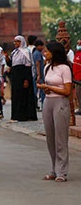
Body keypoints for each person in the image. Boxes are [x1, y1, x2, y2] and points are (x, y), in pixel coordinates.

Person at [37, 41, 73, 182]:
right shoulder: (47, 67)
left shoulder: (64, 68)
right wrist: (47, 88)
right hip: (48, 101)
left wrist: (50, 87)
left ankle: (62, 171)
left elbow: (67, 91)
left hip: (60, 102)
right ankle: (53, 168)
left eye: (47, 52)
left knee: (60, 138)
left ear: (54, 53)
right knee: (50, 137)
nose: (44, 54)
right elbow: (50, 85)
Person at [7, 35, 37, 121]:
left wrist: (26, 80)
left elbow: (28, 67)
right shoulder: (14, 52)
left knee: (23, 96)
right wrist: (7, 58)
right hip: (16, 77)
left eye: (17, 41)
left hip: (23, 76)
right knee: (16, 96)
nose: (15, 43)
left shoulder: (26, 52)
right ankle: (16, 115)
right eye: (15, 41)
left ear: (22, 42)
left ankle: (24, 116)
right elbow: (12, 64)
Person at [33, 39, 46, 109]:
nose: (42, 48)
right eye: (41, 46)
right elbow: (37, 64)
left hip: (36, 74)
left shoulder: (35, 53)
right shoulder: (38, 53)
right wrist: (39, 75)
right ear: (38, 46)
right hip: (39, 75)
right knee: (42, 91)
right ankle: (43, 105)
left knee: (36, 91)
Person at [73, 39, 81, 115]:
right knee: (78, 94)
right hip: (76, 78)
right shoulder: (76, 54)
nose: (78, 45)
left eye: (79, 44)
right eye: (78, 44)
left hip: (80, 78)